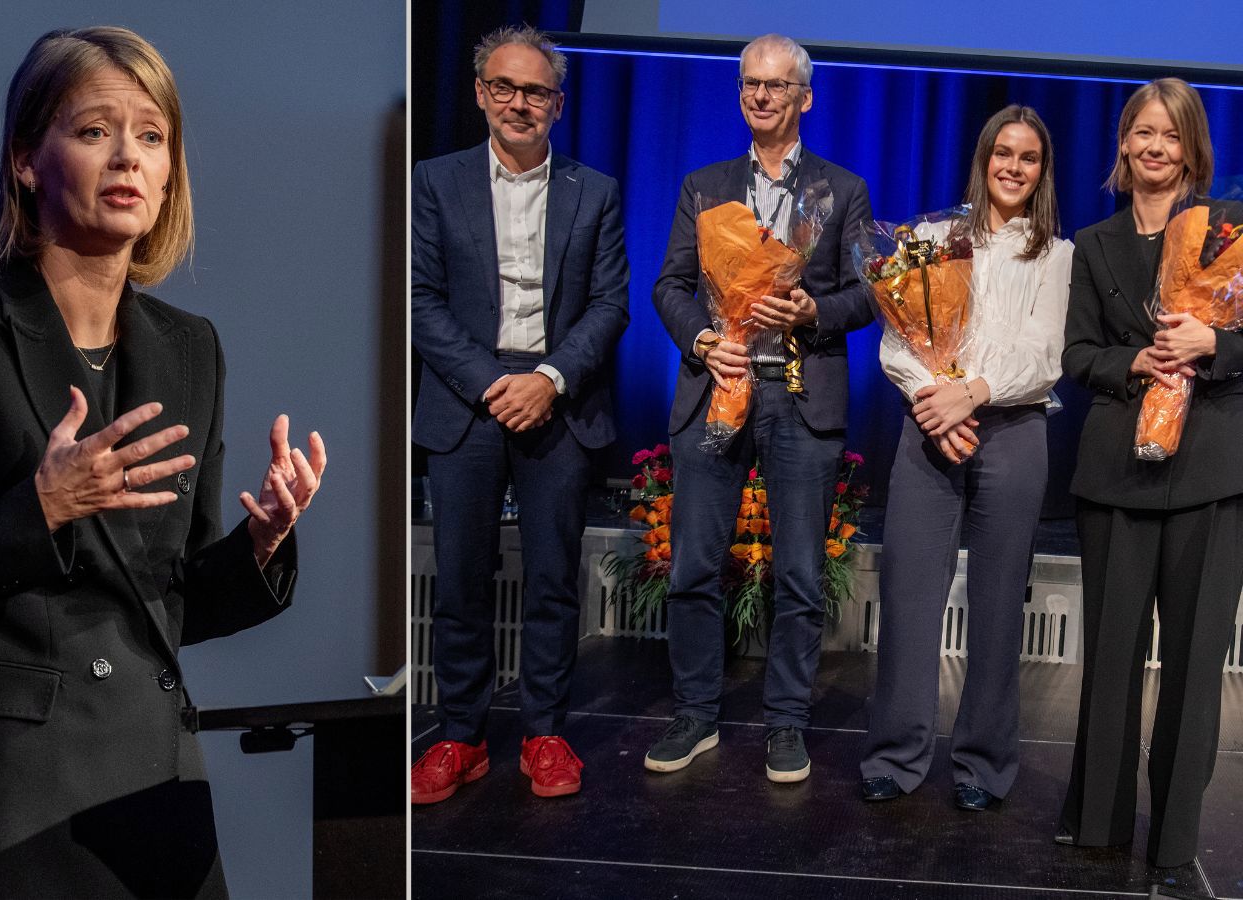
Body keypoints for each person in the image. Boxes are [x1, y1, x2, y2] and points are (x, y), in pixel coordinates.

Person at [0, 26, 326, 898]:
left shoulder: (191, 349)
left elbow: (167, 603)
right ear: (27, 159)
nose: (127, 157)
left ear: (170, 171)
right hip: (4, 801)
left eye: (151, 135)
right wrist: (41, 509)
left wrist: (262, 544)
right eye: (95, 130)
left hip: (151, 795)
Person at [408, 24, 629, 805]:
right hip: (465, 401)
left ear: (558, 104)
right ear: (479, 93)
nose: (519, 103)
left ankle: (544, 733)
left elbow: (610, 305)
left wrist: (549, 379)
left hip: (557, 402)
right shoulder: (434, 182)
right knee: (461, 580)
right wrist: (489, 383)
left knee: (552, 581)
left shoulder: (594, 190)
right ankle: (459, 737)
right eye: (504, 87)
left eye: (536, 91)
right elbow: (421, 299)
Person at [647, 34, 873, 783]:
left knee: (800, 574)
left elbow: (869, 293)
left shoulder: (842, 189)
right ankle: (695, 714)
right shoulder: (704, 185)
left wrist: (814, 311)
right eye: (750, 83)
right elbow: (669, 286)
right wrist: (704, 339)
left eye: (776, 85)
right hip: (719, 386)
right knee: (694, 565)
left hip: (801, 399)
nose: (761, 96)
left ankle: (786, 723)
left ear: (805, 97)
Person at [859, 105, 1072, 811]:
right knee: (909, 594)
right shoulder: (930, 239)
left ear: (1042, 171)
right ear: (983, 159)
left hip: (1014, 433)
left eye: (1029, 157)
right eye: (1002, 152)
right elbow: (897, 340)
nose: (1014, 166)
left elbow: (1045, 357)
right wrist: (935, 403)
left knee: (998, 604)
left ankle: (983, 763)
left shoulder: (1056, 255)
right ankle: (896, 753)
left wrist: (970, 395)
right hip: (928, 428)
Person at [1058, 78, 1243, 878]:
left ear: (1191, 147)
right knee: (1110, 657)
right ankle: (1098, 821)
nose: (1155, 147)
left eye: (1171, 134)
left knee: (1196, 668)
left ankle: (1173, 840)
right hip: (1116, 475)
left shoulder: (1230, 234)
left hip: (1211, 473)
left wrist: (1213, 344)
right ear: (1124, 144)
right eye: (1142, 132)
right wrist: (1134, 360)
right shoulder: (1093, 242)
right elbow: (1075, 355)